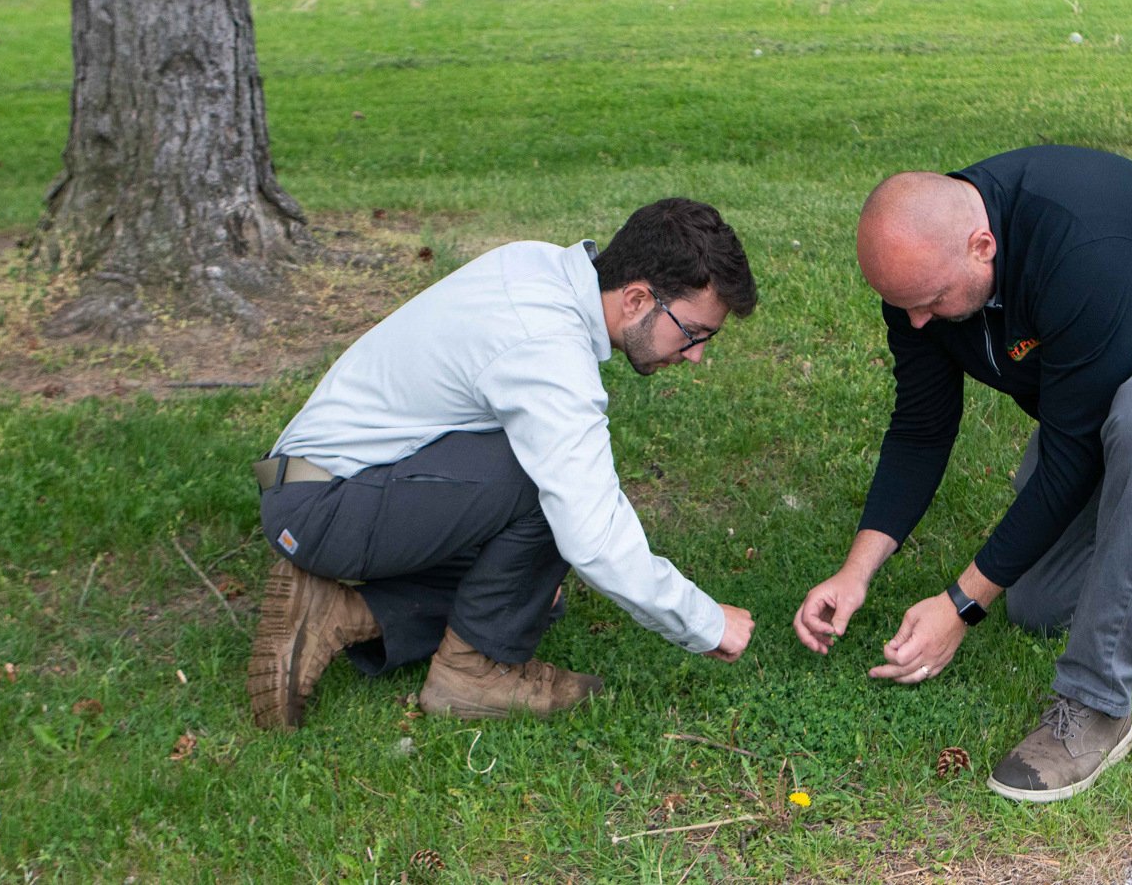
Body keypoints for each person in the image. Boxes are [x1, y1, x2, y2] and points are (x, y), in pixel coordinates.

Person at [793, 146, 1132, 802]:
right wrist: (855, 571)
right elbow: (921, 429)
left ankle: (1097, 707)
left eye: (930, 302)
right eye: (901, 305)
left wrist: (961, 605)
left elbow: (1071, 458)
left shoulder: (1079, 243)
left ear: (983, 245)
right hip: (1102, 399)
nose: (915, 322)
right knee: (1037, 603)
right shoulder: (918, 281)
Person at [248, 198, 758, 730]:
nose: (696, 354)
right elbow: (594, 536)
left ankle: (342, 614)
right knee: (549, 489)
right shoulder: (547, 350)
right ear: (636, 299)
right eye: (695, 332)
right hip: (325, 507)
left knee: (533, 596)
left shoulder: (537, 265)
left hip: (322, 487)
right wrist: (705, 621)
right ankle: (472, 673)